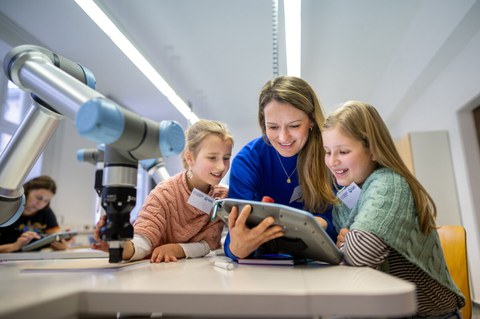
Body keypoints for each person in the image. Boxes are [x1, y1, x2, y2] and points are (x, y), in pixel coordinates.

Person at [321, 100, 465, 318]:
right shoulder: (349, 193)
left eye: (343, 151)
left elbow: (361, 255)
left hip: (429, 315)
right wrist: (349, 242)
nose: (332, 161)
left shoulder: (388, 183)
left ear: (373, 150)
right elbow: (349, 251)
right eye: (327, 151)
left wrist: (347, 242)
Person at [224, 75, 337, 260]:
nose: (283, 137)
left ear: (311, 121)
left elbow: (339, 224)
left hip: (317, 266)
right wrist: (237, 249)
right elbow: (234, 237)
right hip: (263, 267)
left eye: (294, 125)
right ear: (263, 124)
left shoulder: (330, 155)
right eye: (273, 127)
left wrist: (321, 224)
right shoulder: (248, 160)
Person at [92, 119, 234, 263]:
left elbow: (208, 244)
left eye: (226, 158)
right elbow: (143, 240)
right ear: (189, 157)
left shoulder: (221, 198)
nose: (221, 167)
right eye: (212, 158)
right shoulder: (164, 194)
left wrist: (177, 249)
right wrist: (121, 247)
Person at [0, 175, 69, 252]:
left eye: (46, 201)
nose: (41, 204)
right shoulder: (4, 209)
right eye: (39, 198)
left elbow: (55, 236)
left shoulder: (46, 212)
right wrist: (14, 246)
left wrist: (62, 244)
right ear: (27, 191)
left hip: (33, 260)